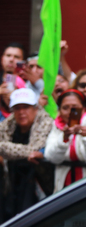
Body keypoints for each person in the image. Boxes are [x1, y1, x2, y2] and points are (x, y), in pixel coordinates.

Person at [0, 88, 53, 221]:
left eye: (26, 107)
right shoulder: (7, 126)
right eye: (17, 108)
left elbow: (35, 149)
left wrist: (3, 148)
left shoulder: (46, 124)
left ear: (36, 108)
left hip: (37, 187)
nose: (21, 112)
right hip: (11, 186)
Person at [44, 89, 86, 193]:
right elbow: (50, 157)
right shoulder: (57, 123)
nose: (69, 112)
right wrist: (63, 139)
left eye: (75, 108)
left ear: (83, 107)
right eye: (65, 108)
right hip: (63, 185)